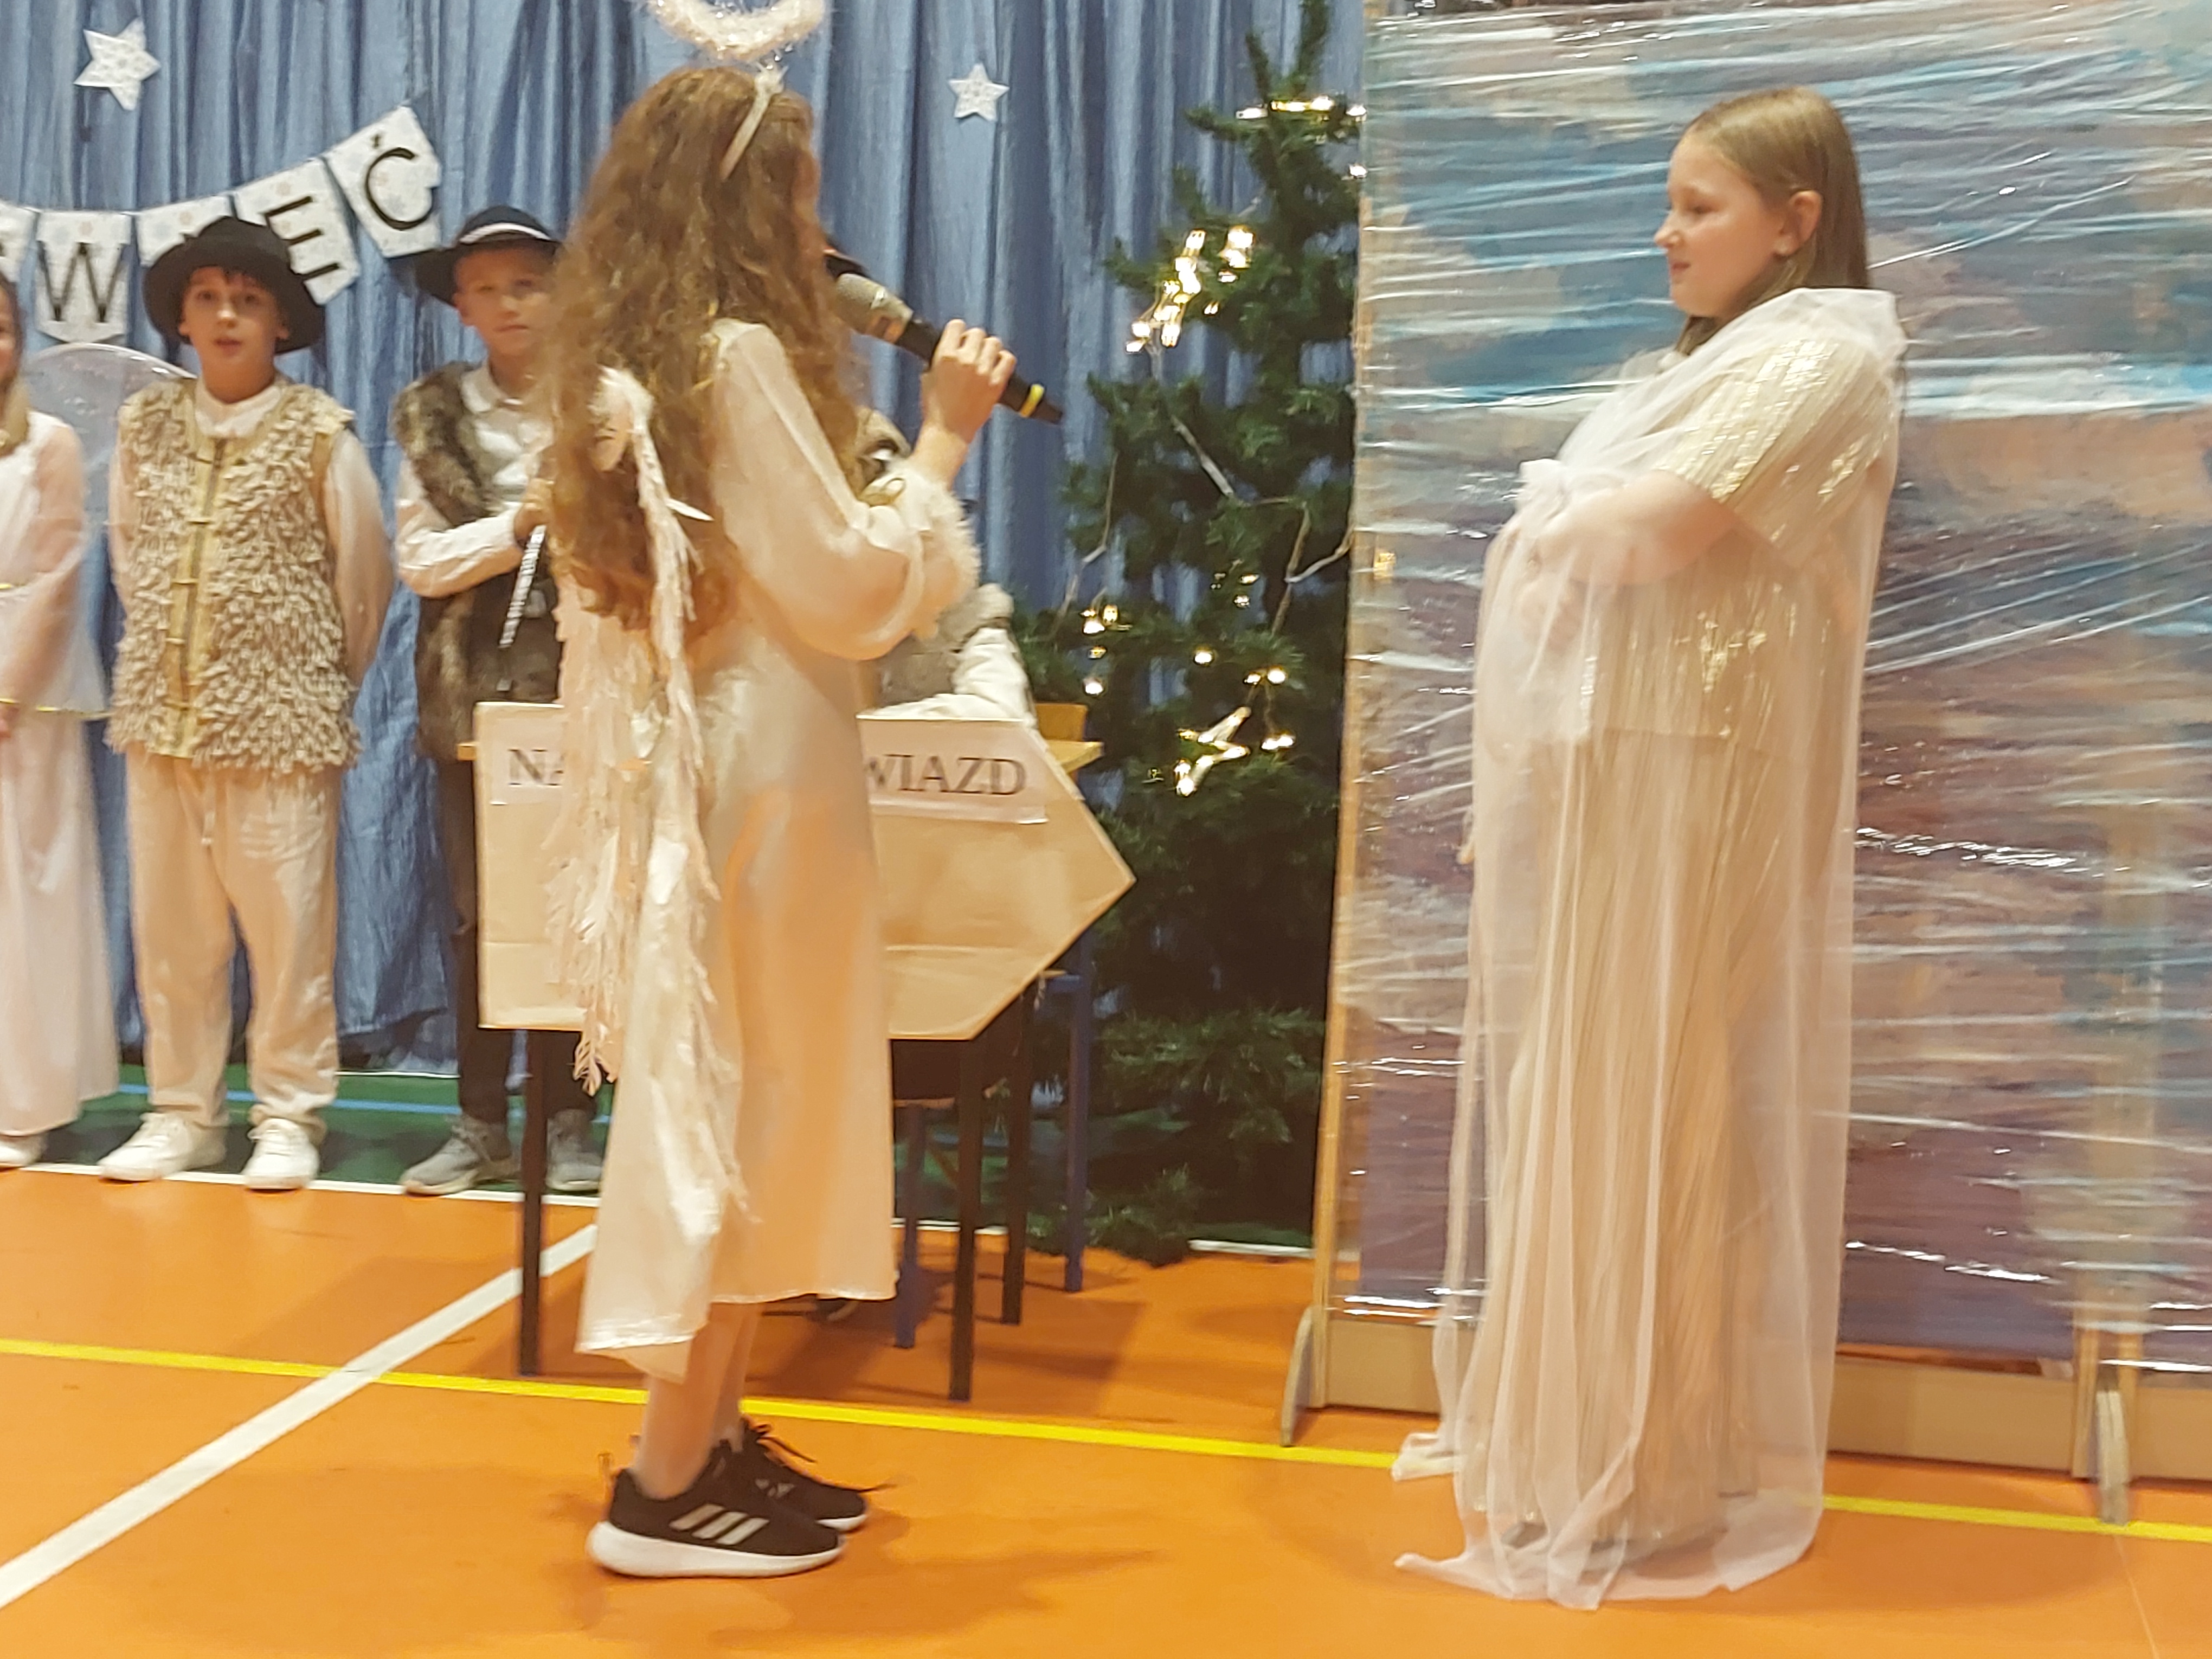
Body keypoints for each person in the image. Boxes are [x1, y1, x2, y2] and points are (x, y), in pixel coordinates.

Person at [1399, 87, 1906, 1606]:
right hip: (1635, 770)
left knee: (1658, 1107)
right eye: (1671, 203)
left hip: (1699, 779)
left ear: (1794, 222)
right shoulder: (1715, 362)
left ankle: (1642, 1462)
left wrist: (1557, 514)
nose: (1666, 233)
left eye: (1699, 207)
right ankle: (1597, 1446)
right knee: (1602, 1101)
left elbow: (1649, 531)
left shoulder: (1822, 354)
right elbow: (1609, 528)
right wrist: (1570, 516)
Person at [538, 66, 1010, 1578]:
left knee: (754, 1094)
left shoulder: (659, 354)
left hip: (731, 761)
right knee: (750, 1104)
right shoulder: (733, 355)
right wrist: (943, 441)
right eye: (798, 197)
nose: (820, 229)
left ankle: (712, 1434)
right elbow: (856, 587)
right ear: (748, 207)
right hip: (769, 777)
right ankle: (666, 1482)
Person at [97, 217, 392, 1192]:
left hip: (281, 730)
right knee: (173, 935)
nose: (227, 316)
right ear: (183, 320)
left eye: (249, 301)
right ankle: (182, 1111)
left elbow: (363, 584)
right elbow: (133, 557)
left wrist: (303, 683)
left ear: (280, 324)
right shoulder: (144, 429)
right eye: (209, 299)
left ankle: (289, 1113)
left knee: (289, 933)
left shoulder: (320, 435)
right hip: (162, 722)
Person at [391, 206, 603, 1198]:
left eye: (528, 283)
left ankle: (572, 1121)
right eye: (487, 289)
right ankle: (480, 1120)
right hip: (473, 706)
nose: (510, 304)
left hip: (589, 694)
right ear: (462, 307)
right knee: (481, 918)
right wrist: (517, 529)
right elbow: (420, 562)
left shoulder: (606, 404)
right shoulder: (433, 416)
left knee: (581, 908)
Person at [0, 281, 119, 1170]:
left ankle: (25, 1096)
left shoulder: (48, 444)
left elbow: (56, 574)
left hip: (24, 697)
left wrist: (8, 689)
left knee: (25, 888)